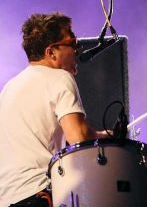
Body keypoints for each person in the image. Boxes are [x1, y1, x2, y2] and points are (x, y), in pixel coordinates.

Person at [0, 13, 110, 207]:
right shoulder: (59, 77)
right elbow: (79, 139)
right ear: (51, 52)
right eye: (72, 43)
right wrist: (109, 138)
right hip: (39, 195)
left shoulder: (9, 87)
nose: (78, 50)